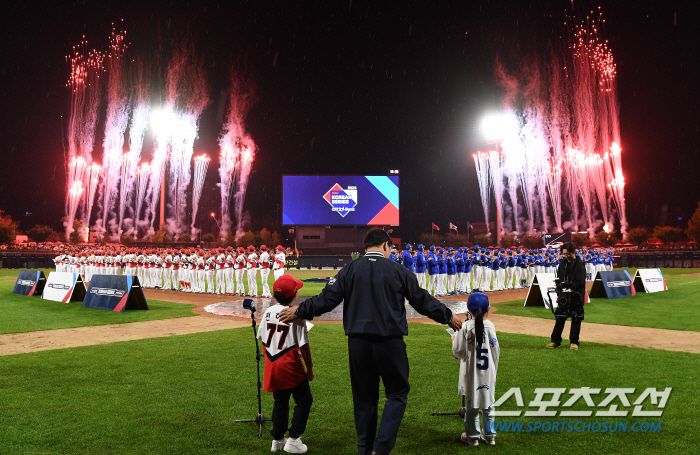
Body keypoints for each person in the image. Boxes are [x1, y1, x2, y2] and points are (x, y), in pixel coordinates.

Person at [279, 228, 462, 455]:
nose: (391, 251)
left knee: (364, 399)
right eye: (391, 248)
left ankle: (365, 450)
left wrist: (300, 310)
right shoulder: (398, 270)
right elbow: (421, 300)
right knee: (397, 393)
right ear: (385, 245)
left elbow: (327, 299)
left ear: (366, 247)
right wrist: (448, 316)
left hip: (358, 344)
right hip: (390, 343)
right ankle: (381, 449)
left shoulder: (350, 269)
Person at [257, 275, 314, 454]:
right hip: (289, 362)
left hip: (272, 361)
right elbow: (304, 346)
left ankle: (278, 440)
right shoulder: (296, 315)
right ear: (295, 295)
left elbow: (262, 338)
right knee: (304, 400)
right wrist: (310, 368)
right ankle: (294, 439)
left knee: (280, 401)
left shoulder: (267, 311)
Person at [452, 292, 499, 446]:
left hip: (472, 373)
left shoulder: (465, 326)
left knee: (472, 406)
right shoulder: (490, 326)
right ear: (488, 309)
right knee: (489, 403)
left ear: (468, 309)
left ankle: (472, 437)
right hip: (488, 371)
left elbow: (458, 352)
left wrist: (454, 340)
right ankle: (490, 436)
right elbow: (495, 351)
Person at [547, 242, 586, 350]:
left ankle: (574, 342)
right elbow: (559, 279)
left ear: (573, 252)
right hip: (564, 296)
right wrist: (559, 293)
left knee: (576, 318)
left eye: (568, 254)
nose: (566, 256)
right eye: (564, 254)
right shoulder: (562, 264)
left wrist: (569, 285)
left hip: (576, 296)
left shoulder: (580, 265)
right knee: (559, 318)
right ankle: (555, 341)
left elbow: (581, 282)